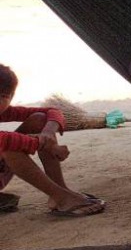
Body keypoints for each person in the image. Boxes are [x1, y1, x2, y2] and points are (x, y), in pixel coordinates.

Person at [0, 64, 106, 217]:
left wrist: (48, 132)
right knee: (9, 147)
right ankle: (61, 197)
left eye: (3, 96)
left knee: (40, 119)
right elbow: (5, 140)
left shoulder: (6, 111)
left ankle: (60, 191)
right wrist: (50, 147)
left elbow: (52, 111)